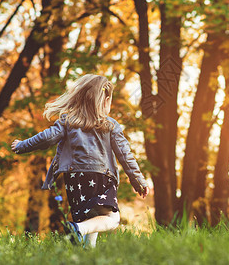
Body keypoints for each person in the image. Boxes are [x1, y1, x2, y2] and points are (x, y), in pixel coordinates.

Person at [11, 74, 149, 247]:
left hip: (74, 180)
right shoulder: (110, 125)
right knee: (112, 219)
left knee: (91, 219)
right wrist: (138, 181)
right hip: (100, 177)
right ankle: (77, 229)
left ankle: (85, 253)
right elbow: (125, 155)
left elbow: (46, 138)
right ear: (104, 100)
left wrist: (22, 145)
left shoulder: (68, 121)